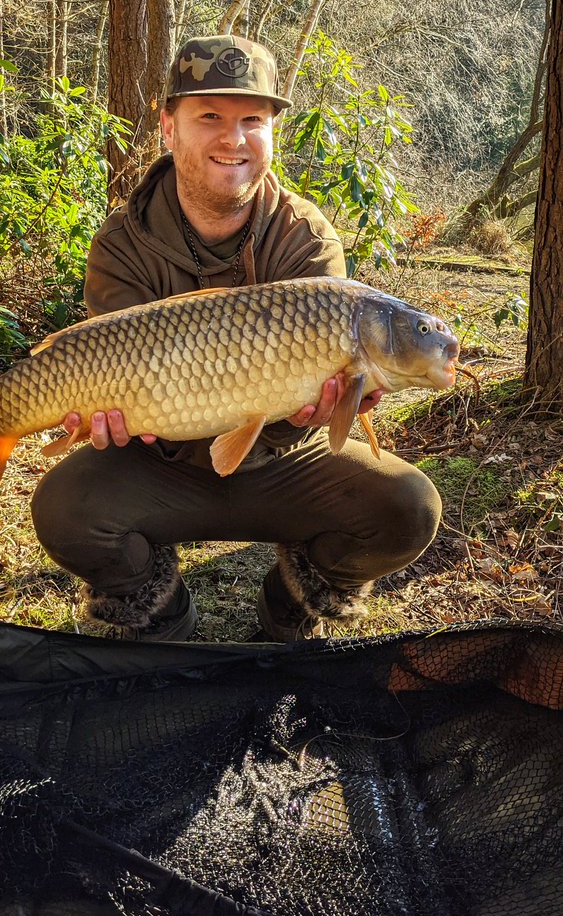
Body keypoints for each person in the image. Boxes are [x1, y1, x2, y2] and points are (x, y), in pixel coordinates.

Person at [31, 36, 442, 642]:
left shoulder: (308, 238)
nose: (234, 138)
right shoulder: (122, 243)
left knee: (407, 509)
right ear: (169, 128)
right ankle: (161, 610)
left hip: (281, 458)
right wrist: (101, 413)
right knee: (65, 510)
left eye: (253, 119)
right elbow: (108, 372)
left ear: (273, 131)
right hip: (158, 461)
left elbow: (318, 402)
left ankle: (291, 607)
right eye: (210, 117)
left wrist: (330, 405)